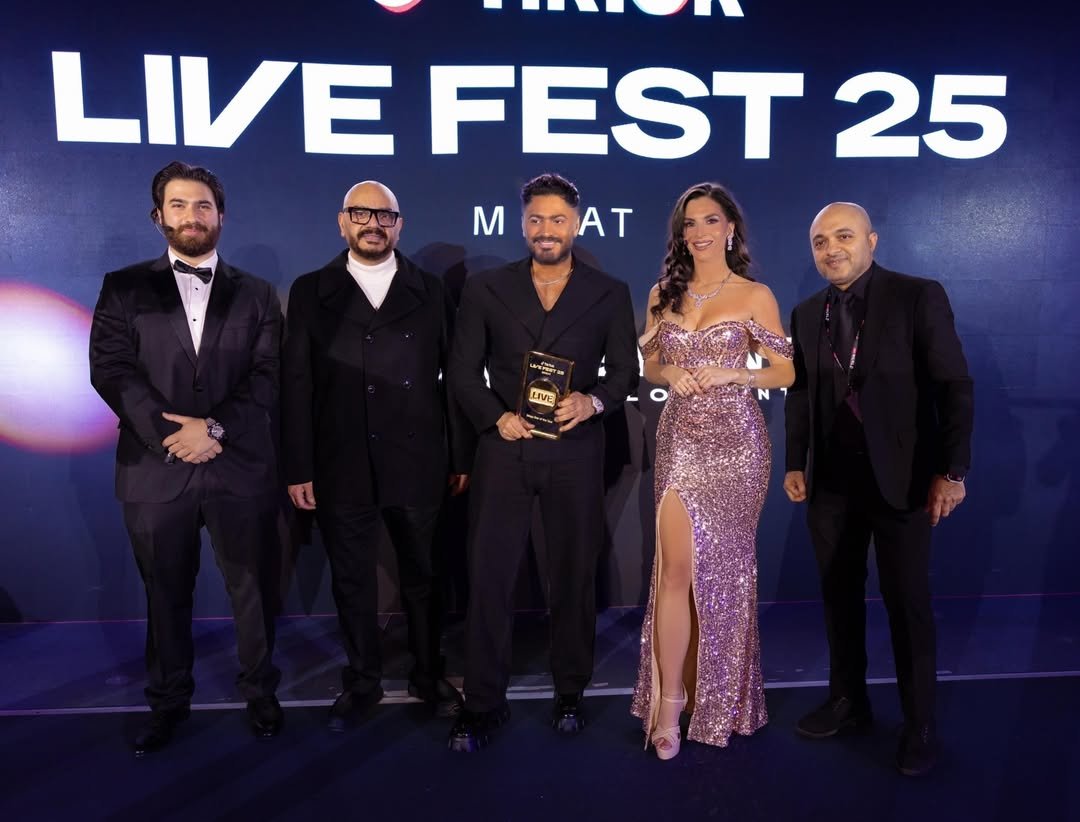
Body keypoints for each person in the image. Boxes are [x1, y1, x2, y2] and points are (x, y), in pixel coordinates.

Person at [89, 161, 284, 756]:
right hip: (156, 470)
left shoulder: (257, 293)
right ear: (158, 216)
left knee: (253, 590)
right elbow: (111, 370)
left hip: (239, 466)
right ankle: (168, 701)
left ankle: (260, 693)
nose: (192, 216)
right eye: (178, 205)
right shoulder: (123, 287)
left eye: (203, 206)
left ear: (221, 216)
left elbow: (268, 375)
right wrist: (172, 437)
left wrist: (214, 428)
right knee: (165, 593)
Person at [446, 173, 639, 752]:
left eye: (556, 219)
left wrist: (593, 401)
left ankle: (570, 691)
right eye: (535, 219)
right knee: (489, 576)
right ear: (522, 223)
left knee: (574, 574)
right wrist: (495, 417)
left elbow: (624, 373)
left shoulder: (609, 291)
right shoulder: (486, 288)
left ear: (576, 223)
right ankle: (482, 702)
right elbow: (462, 371)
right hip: (505, 447)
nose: (545, 230)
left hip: (576, 450)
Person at [783, 202, 973, 776]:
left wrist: (953, 472)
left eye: (843, 236)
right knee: (838, 599)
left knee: (907, 603)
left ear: (871, 240)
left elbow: (954, 385)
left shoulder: (917, 295)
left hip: (904, 480)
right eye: (820, 241)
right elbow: (800, 394)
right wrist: (795, 462)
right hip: (831, 485)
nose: (831, 249)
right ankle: (849, 702)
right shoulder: (806, 312)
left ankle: (920, 724)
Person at [281, 181, 470, 730]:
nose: (373, 224)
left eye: (384, 216)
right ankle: (362, 680)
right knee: (352, 580)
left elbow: (455, 379)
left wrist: (460, 455)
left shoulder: (430, 290)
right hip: (341, 460)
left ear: (399, 225)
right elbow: (296, 383)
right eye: (361, 214)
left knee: (425, 577)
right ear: (343, 222)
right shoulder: (310, 290)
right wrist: (299, 465)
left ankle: (428, 674)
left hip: (418, 458)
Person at [629, 183, 794, 759]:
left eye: (710, 220)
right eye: (689, 223)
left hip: (738, 447)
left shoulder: (754, 295)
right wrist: (670, 373)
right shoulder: (663, 293)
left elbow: (785, 372)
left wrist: (735, 375)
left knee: (724, 577)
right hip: (680, 441)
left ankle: (720, 699)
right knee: (674, 570)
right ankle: (670, 704)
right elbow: (651, 363)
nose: (699, 232)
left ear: (730, 228)